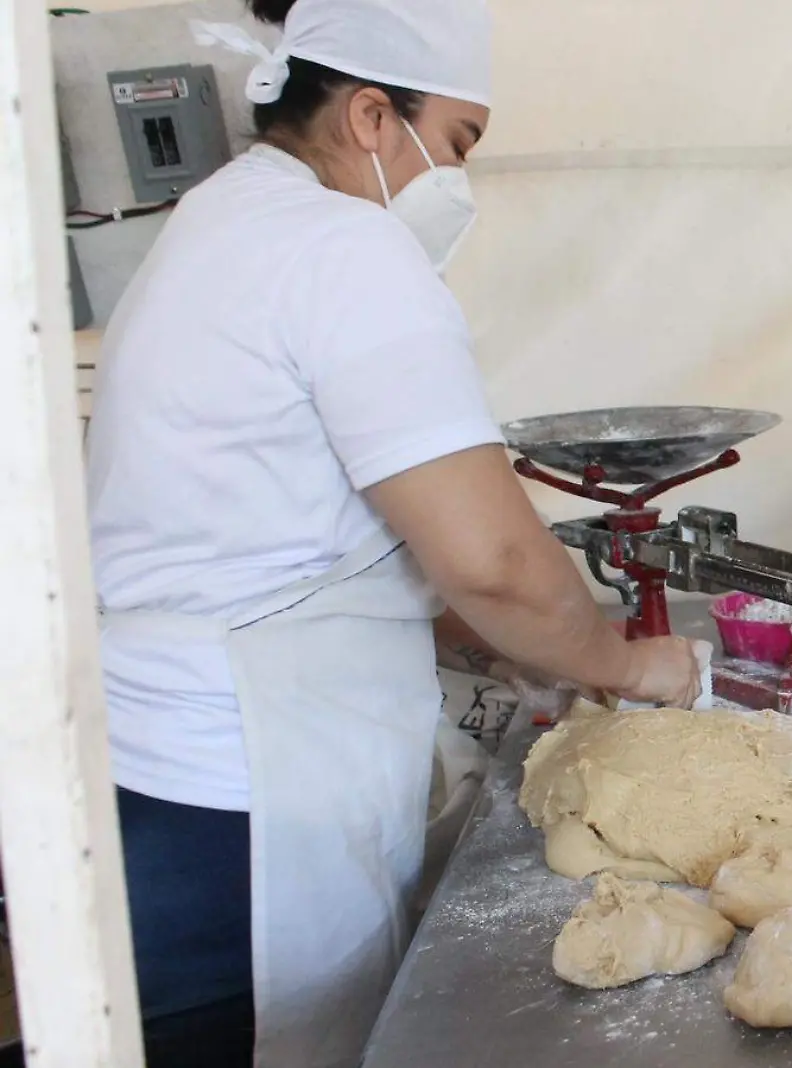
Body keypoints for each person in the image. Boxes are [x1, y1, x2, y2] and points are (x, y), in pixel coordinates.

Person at [82, 1, 702, 1065]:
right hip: (245, 807)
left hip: (157, 780)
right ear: (373, 115)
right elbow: (497, 562)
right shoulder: (343, 247)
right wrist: (629, 665)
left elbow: (291, 534)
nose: (457, 179)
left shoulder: (228, 216)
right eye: (458, 143)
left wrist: (494, 641)